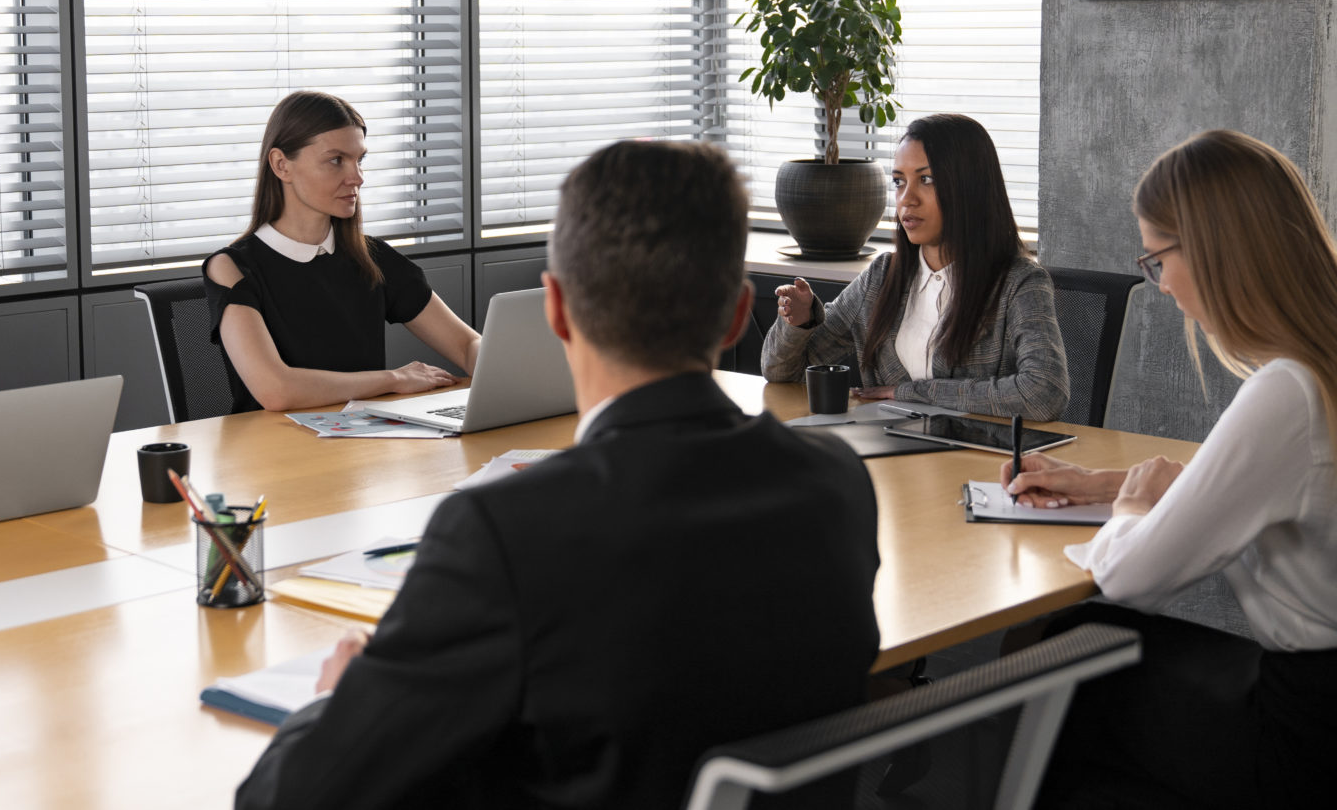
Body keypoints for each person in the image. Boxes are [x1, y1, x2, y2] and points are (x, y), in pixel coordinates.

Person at [235, 140, 881, 810]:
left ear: (557, 310)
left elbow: (291, 797)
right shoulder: (836, 482)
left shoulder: (507, 531)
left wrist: (334, 705)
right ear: (738, 317)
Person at [1003, 130, 1337, 810]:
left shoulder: (1290, 390)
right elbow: (1297, 488)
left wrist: (1134, 513)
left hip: (1302, 745)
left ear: (1215, 251)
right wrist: (1116, 487)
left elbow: (1131, 578)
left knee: (1061, 650)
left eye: (1157, 261)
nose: (1160, 287)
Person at [762, 112, 1068, 420]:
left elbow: (1044, 392)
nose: (907, 200)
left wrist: (912, 392)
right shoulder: (881, 278)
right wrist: (798, 325)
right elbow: (781, 372)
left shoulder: (1020, 284)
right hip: (888, 458)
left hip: (978, 462)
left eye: (927, 180)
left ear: (970, 187)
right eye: (899, 181)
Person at [203, 90, 479, 412]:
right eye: (336, 161)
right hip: (274, 449)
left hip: (362, 444)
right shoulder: (231, 267)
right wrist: (392, 379)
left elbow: (466, 343)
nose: (357, 178)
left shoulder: (372, 257)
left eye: (359, 160)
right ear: (281, 165)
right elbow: (276, 390)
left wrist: (499, 364)